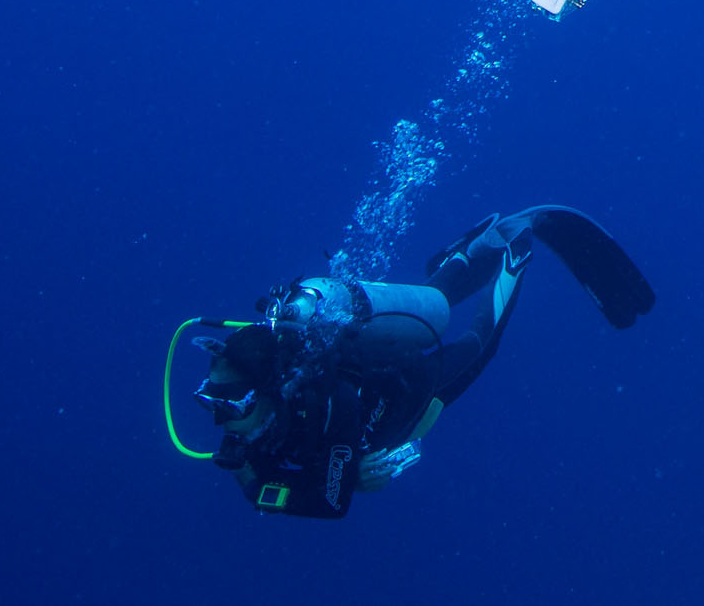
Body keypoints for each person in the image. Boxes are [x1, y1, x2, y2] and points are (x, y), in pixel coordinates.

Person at [182, 204, 654, 518]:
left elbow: (331, 502)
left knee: (479, 342)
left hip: (415, 386)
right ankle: (480, 244)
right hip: (382, 365)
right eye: (211, 403)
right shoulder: (272, 409)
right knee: (436, 303)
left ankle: (515, 252)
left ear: (266, 390)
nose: (222, 419)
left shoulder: (332, 407)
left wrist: (255, 488)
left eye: (232, 405)